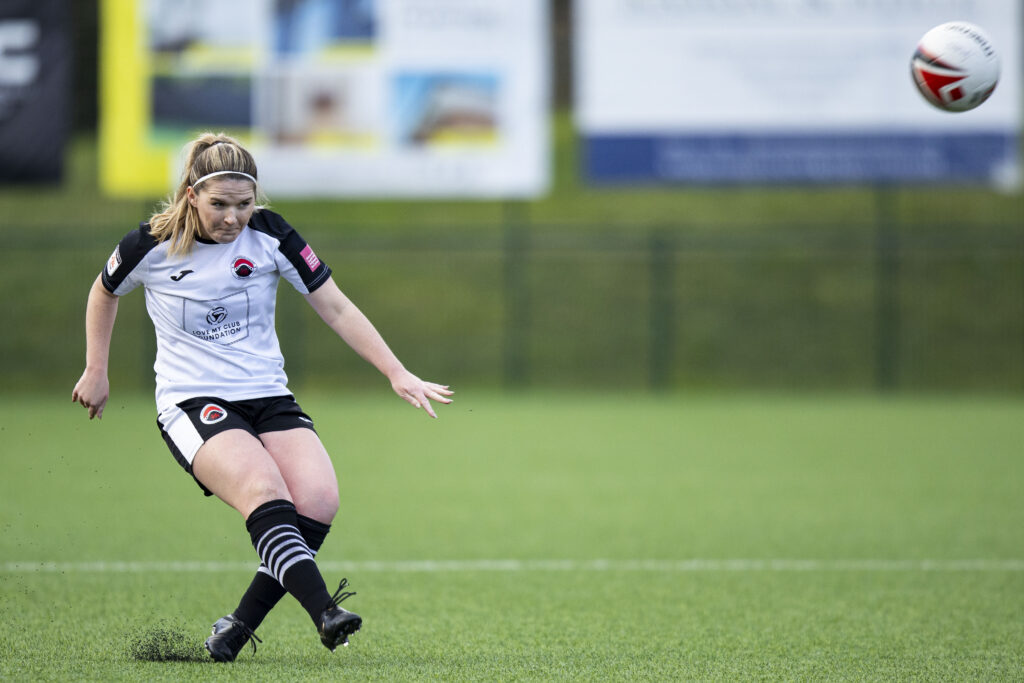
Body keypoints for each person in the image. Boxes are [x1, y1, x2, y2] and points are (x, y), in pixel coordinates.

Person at [71, 132, 453, 662]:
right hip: (192, 402)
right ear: (190, 195)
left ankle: (237, 625)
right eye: (219, 205)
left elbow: (336, 307)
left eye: (244, 204)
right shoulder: (150, 245)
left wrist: (396, 371)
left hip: (267, 394)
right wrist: (97, 369)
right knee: (263, 488)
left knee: (319, 502)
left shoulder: (271, 236)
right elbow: (104, 291)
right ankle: (325, 611)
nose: (233, 218)